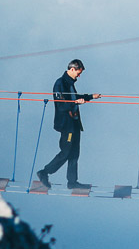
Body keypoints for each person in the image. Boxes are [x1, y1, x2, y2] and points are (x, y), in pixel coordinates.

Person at [37, 59, 101, 189]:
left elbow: (74, 97)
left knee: (75, 153)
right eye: (78, 73)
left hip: (75, 122)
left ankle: (72, 182)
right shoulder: (60, 83)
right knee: (66, 152)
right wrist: (76, 103)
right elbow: (60, 105)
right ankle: (44, 172)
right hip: (67, 124)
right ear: (72, 69)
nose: (79, 75)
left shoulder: (70, 83)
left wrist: (90, 97)